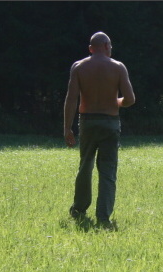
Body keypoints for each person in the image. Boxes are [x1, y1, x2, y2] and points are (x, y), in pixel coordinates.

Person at [63, 31, 135, 228]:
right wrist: (116, 101)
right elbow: (130, 99)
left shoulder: (78, 67)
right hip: (110, 122)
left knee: (85, 166)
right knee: (108, 170)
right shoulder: (118, 67)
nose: (111, 49)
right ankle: (103, 216)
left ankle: (79, 208)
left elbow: (71, 98)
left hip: (87, 122)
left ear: (90, 49)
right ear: (105, 46)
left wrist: (67, 127)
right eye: (110, 46)